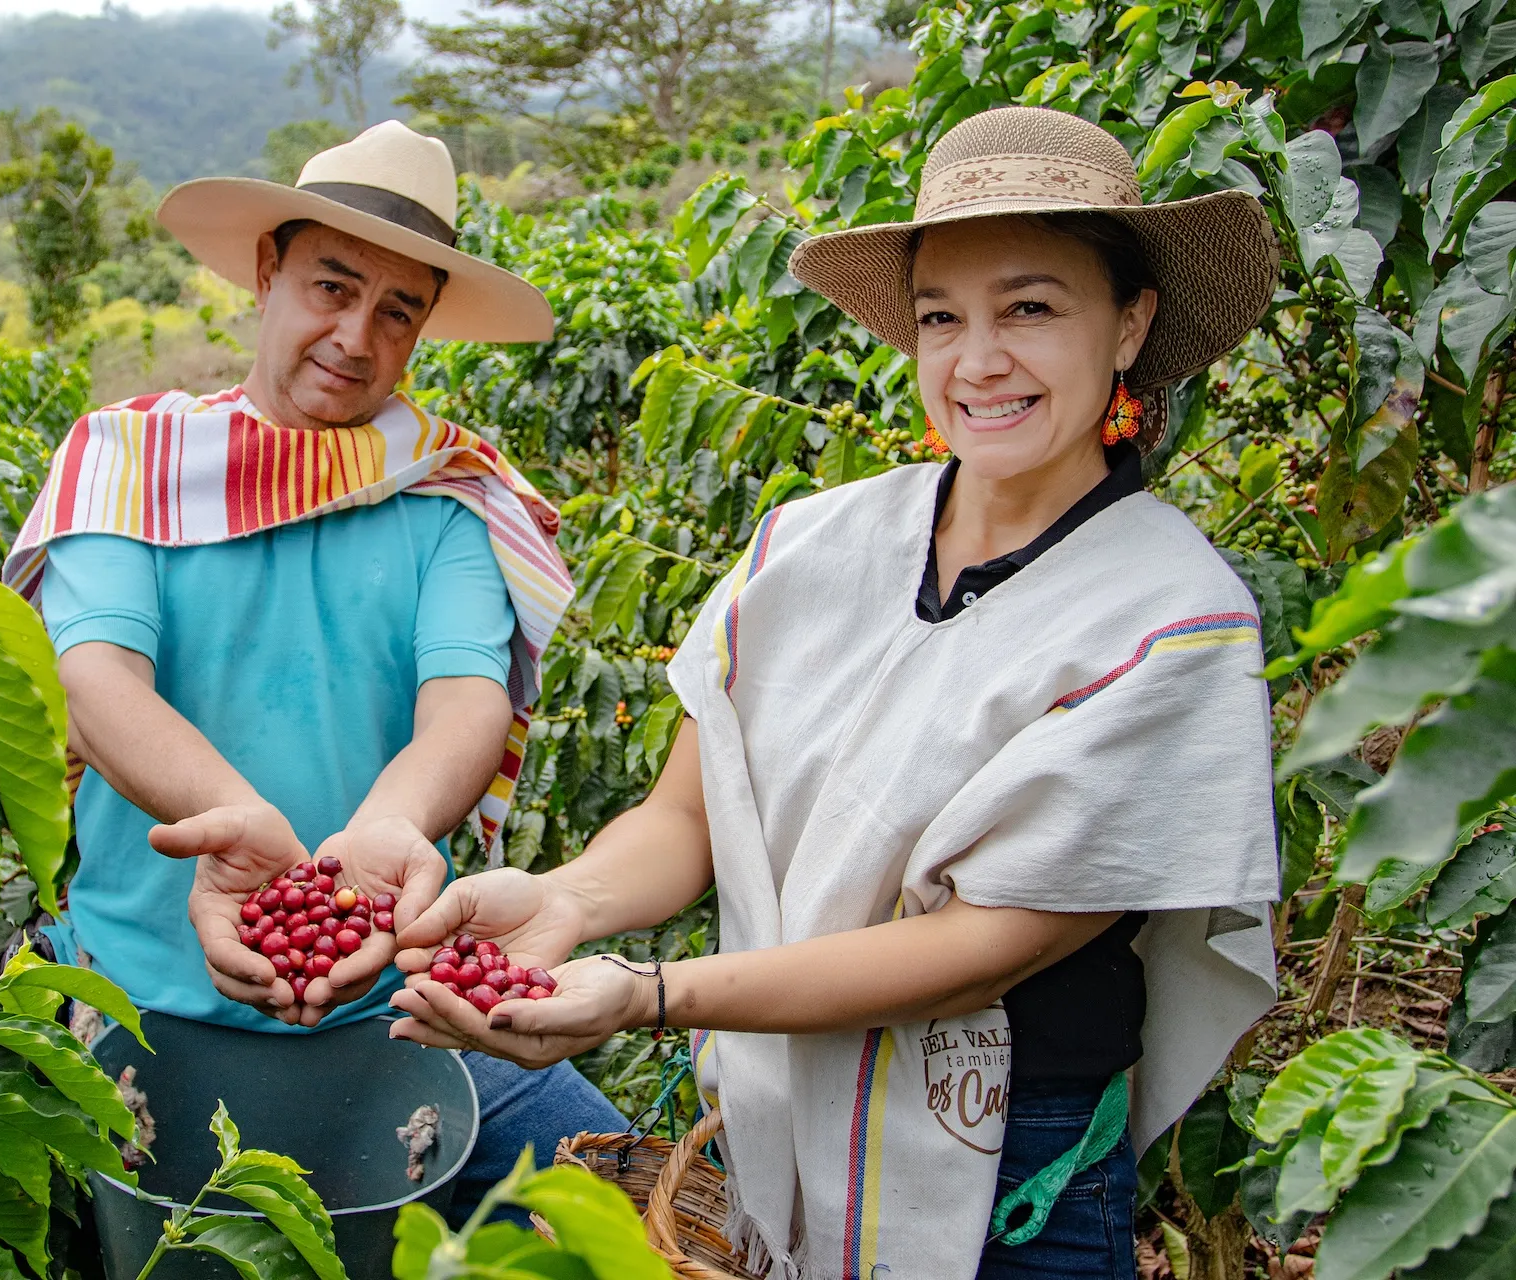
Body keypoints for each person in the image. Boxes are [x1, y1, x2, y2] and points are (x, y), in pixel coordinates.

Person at [386, 106, 1283, 1277]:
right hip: (781, 1125)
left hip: (1016, 1164)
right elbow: (689, 814)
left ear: (1131, 324)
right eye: (941, 318)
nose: (978, 359)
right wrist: (566, 899)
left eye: (1031, 307)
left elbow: (983, 947)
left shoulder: (1171, 617)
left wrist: (652, 991)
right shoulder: (815, 547)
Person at [0, 120, 624, 1216]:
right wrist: (238, 817)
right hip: (142, 999)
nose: (355, 336)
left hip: (396, 996)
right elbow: (95, 686)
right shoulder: (134, 468)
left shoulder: (445, 496)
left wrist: (387, 831)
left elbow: (465, 701)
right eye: (331, 287)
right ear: (266, 271)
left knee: (628, 1190)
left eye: (398, 311)